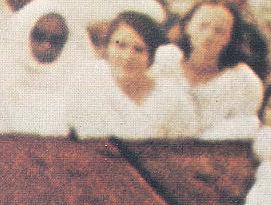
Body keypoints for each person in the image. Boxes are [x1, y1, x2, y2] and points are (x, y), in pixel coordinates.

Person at [0, 0, 85, 136]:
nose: (47, 45)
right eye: (39, 36)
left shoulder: (78, 85)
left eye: (56, 40)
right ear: (23, 32)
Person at [68, 11, 196, 140]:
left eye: (139, 49)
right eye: (121, 45)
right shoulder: (86, 83)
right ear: (107, 47)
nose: (128, 57)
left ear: (151, 57)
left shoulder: (172, 98)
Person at [156, 0, 263, 138]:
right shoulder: (165, 59)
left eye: (219, 31)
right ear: (188, 26)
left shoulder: (245, 80)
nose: (209, 36)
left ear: (230, 37)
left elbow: (241, 129)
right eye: (203, 26)